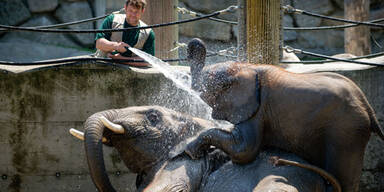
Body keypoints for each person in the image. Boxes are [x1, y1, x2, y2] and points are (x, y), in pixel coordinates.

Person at [95, 0, 155, 67]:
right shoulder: (112, 20)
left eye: (136, 12)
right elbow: (99, 43)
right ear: (125, 8)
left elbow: (148, 60)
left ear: (143, 11)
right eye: (130, 10)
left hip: (131, 74)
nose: (133, 15)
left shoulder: (148, 32)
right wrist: (116, 46)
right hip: (103, 67)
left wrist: (121, 59)